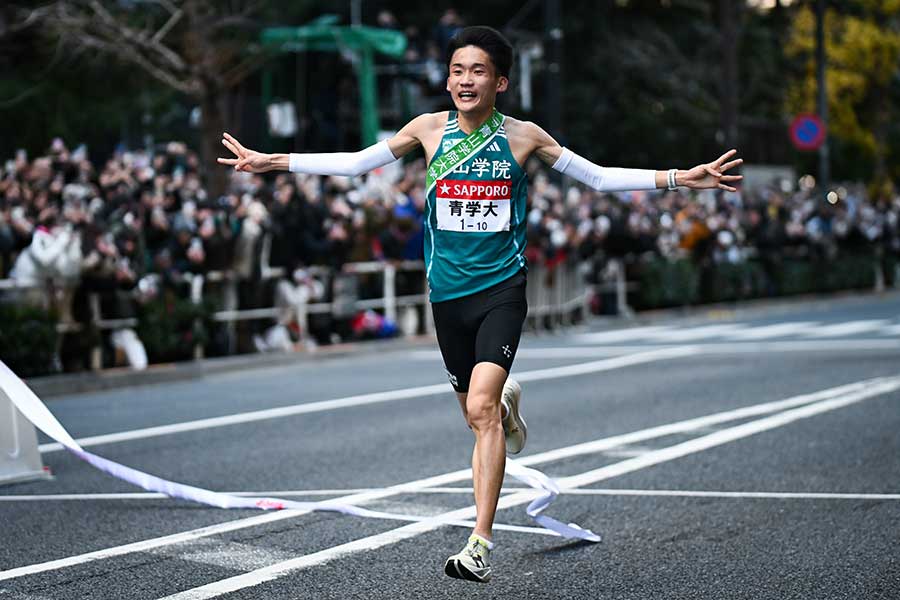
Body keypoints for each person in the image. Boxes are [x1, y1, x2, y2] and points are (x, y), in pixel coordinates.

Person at [218, 25, 742, 583]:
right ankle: (506, 401)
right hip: (447, 295)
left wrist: (679, 179)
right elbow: (355, 163)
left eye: (478, 71)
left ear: (501, 82)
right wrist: (271, 161)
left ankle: (479, 544)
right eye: (457, 70)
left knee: (480, 412)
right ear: (447, 80)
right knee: (477, 412)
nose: (466, 80)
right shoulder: (426, 129)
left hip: (501, 292)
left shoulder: (523, 137)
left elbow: (597, 177)